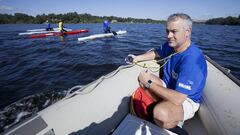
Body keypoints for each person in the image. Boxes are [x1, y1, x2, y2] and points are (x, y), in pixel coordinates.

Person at [127, 13, 207, 130]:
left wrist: (149, 83)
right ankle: (162, 107)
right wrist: (137, 58)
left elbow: (178, 99)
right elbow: (157, 53)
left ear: (187, 32)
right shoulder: (171, 46)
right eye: (167, 31)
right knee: (142, 76)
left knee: (160, 113)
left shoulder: (192, 60)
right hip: (170, 87)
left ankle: (175, 125)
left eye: (174, 31)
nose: (169, 36)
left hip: (185, 99)